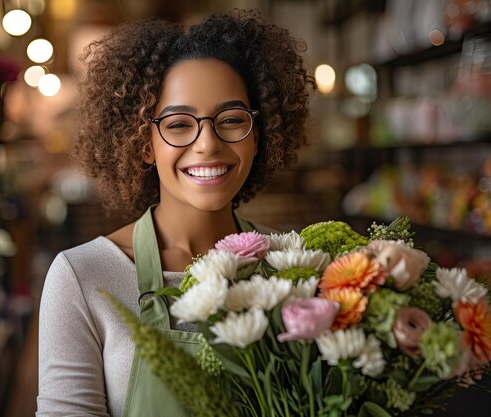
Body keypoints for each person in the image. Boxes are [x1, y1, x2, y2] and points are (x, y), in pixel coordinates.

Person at [36, 9, 314, 417]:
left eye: (232, 119)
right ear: (143, 143)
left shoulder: (293, 265)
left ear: (260, 136)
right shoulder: (82, 277)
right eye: (179, 124)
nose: (207, 144)